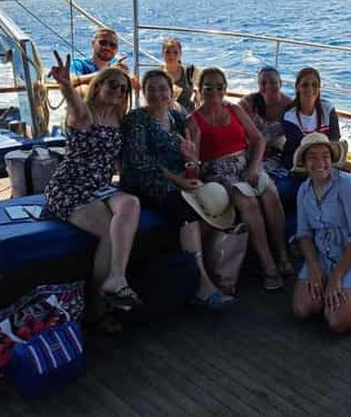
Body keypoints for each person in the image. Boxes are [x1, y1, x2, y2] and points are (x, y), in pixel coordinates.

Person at [120, 69, 233, 308]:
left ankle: (201, 269)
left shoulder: (177, 117)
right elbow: (138, 160)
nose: (157, 94)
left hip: (177, 179)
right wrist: (177, 180)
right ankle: (202, 285)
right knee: (186, 210)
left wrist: (191, 162)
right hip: (145, 180)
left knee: (213, 200)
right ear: (143, 92)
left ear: (171, 92)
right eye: (151, 89)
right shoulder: (137, 119)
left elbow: (190, 156)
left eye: (162, 89)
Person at [44, 52, 142, 322]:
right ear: (97, 86)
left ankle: (117, 278)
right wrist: (66, 85)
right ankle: (96, 309)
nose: (118, 91)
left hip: (101, 186)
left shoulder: (119, 119)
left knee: (131, 203)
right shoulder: (84, 114)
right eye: (113, 85)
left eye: (123, 89)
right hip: (71, 186)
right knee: (110, 232)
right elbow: (74, 103)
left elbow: (120, 160)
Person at [186, 67, 294, 290]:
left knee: (270, 193)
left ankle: (282, 254)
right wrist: (191, 158)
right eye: (208, 87)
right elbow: (194, 164)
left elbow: (259, 139)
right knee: (248, 202)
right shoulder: (193, 121)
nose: (214, 91)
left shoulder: (234, 109)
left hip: (246, 165)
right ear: (199, 89)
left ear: (225, 88)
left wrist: (254, 167)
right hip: (217, 172)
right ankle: (268, 265)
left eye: (219, 87)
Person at [291, 133, 351, 333]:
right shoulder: (304, 190)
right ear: (304, 162)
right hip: (324, 253)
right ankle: (346, 292)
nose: (320, 162)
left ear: (332, 160)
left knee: (337, 321)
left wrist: (337, 276)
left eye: (325, 156)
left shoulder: (349, 185)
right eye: (312, 157)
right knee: (302, 309)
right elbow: (303, 234)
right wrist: (313, 267)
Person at [276, 67, 341, 237]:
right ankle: (295, 236)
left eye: (314, 85)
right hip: (299, 168)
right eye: (305, 85)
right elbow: (301, 153)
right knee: (287, 192)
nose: (310, 89)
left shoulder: (328, 109)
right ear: (297, 88)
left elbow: (334, 143)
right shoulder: (290, 116)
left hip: (326, 166)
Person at [239, 66, 292, 180]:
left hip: (277, 152)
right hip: (251, 149)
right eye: (263, 83)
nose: (268, 86)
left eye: (273, 82)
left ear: (280, 83)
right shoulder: (249, 102)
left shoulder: (289, 106)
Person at [69, 28, 126, 95]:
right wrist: (107, 72)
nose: (107, 47)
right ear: (93, 43)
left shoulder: (118, 65)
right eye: (103, 43)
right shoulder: (79, 64)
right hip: (86, 101)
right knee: (82, 88)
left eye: (113, 45)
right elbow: (71, 81)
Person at [161, 37, 199, 113]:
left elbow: (202, 88)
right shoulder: (157, 75)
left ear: (180, 54)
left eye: (175, 52)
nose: (171, 56)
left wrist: (197, 93)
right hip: (166, 114)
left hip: (187, 114)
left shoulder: (190, 71)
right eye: (168, 52)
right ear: (162, 53)